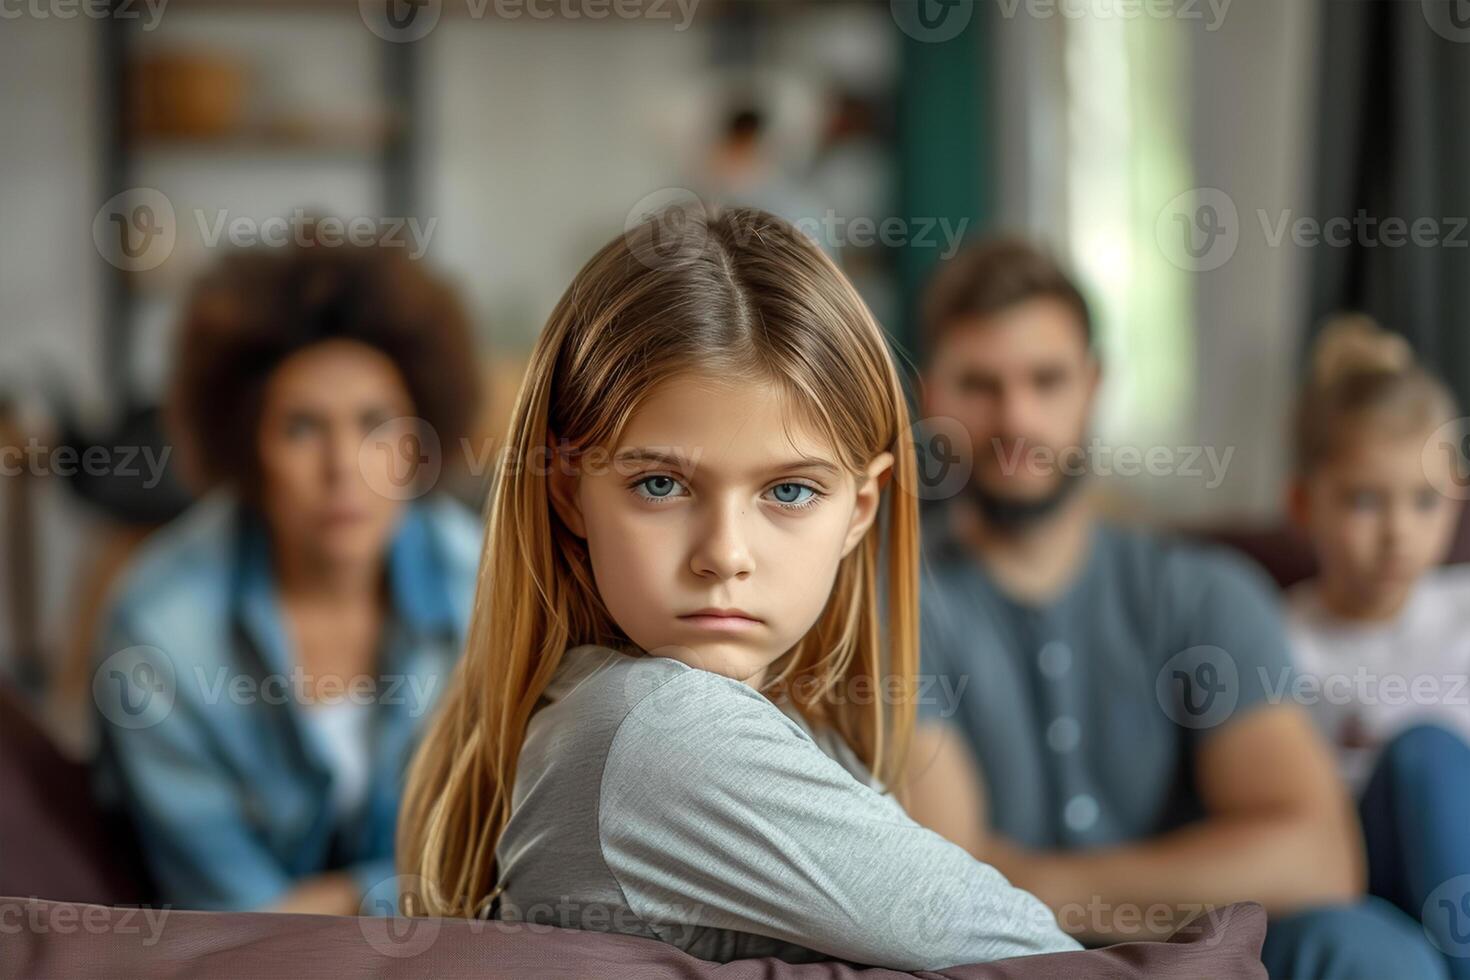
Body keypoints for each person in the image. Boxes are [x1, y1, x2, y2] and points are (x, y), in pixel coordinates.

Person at [394, 206, 1081, 970]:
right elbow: (1049, 962)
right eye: (660, 484)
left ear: (861, 508)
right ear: (566, 490)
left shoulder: (685, 716)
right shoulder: (659, 730)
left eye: (788, 493)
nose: (724, 555)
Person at [901, 239, 1447, 978]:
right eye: (980, 384)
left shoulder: (1206, 592)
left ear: (1092, 385)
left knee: (1367, 949)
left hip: (1218, 956)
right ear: (932, 394)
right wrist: (1195, 878)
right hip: (1014, 967)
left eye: (1047, 379)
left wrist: (1047, 880)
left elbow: (1317, 857)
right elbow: (949, 892)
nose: (1016, 417)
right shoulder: (892, 601)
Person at [91, 239, 484, 914]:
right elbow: (231, 918)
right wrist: (405, 893)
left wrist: (346, 899)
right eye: (302, 427)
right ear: (246, 446)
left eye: (374, 423)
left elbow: (511, 855)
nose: (343, 468)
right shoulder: (156, 637)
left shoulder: (483, 583)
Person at [1284, 314, 1470, 975]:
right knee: (1419, 752)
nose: (1398, 531)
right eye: (1365, 501)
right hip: (1363, 881)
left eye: (1424, 501)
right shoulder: (1277, 639)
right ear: (1304, 504)